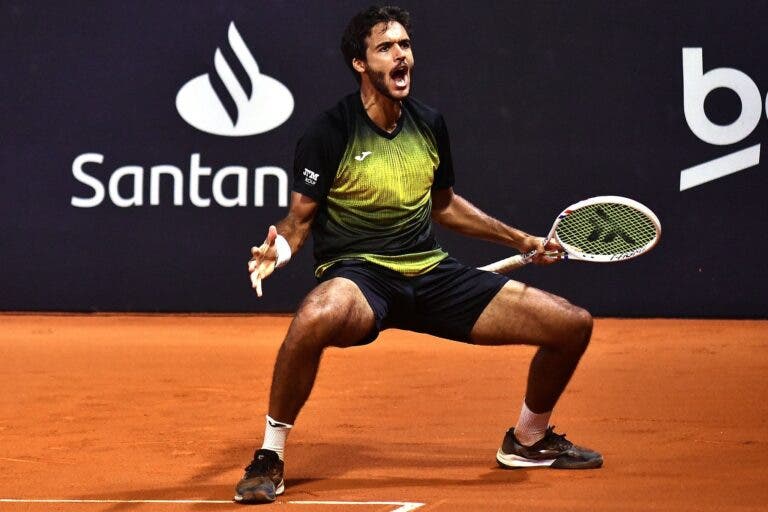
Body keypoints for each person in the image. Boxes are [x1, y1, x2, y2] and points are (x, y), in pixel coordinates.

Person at [235, 5, 602, 504]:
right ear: (360, 64)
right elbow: (297, 221)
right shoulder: (329, 132)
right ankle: (270, 455)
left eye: (405, 45)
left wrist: (521, 240)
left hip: (431, 274)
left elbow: (444, 206)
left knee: (571, 324)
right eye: (386, 47)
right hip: (359, 278)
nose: (401, 55)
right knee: (312, 318)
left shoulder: (428, 123)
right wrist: (277, 248)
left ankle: (528, 439)